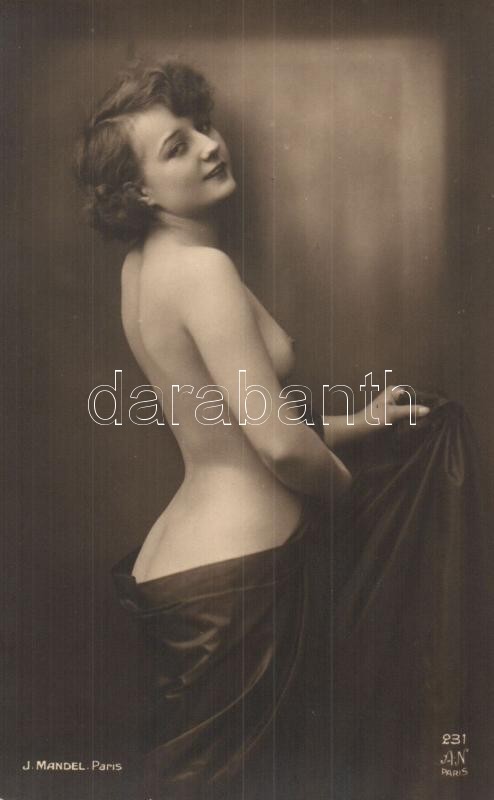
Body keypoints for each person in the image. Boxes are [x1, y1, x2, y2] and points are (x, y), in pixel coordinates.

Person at [76, 60, 483, 800]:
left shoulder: (143, 268)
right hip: (238, 587)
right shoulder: (202, 271)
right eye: (176, 146)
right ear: (139, 190)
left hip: (187, 571)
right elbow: (278, 446)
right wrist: (356, 503)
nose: (209, 145)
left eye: (202, 126)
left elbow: (227, 424)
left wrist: (360, 421)